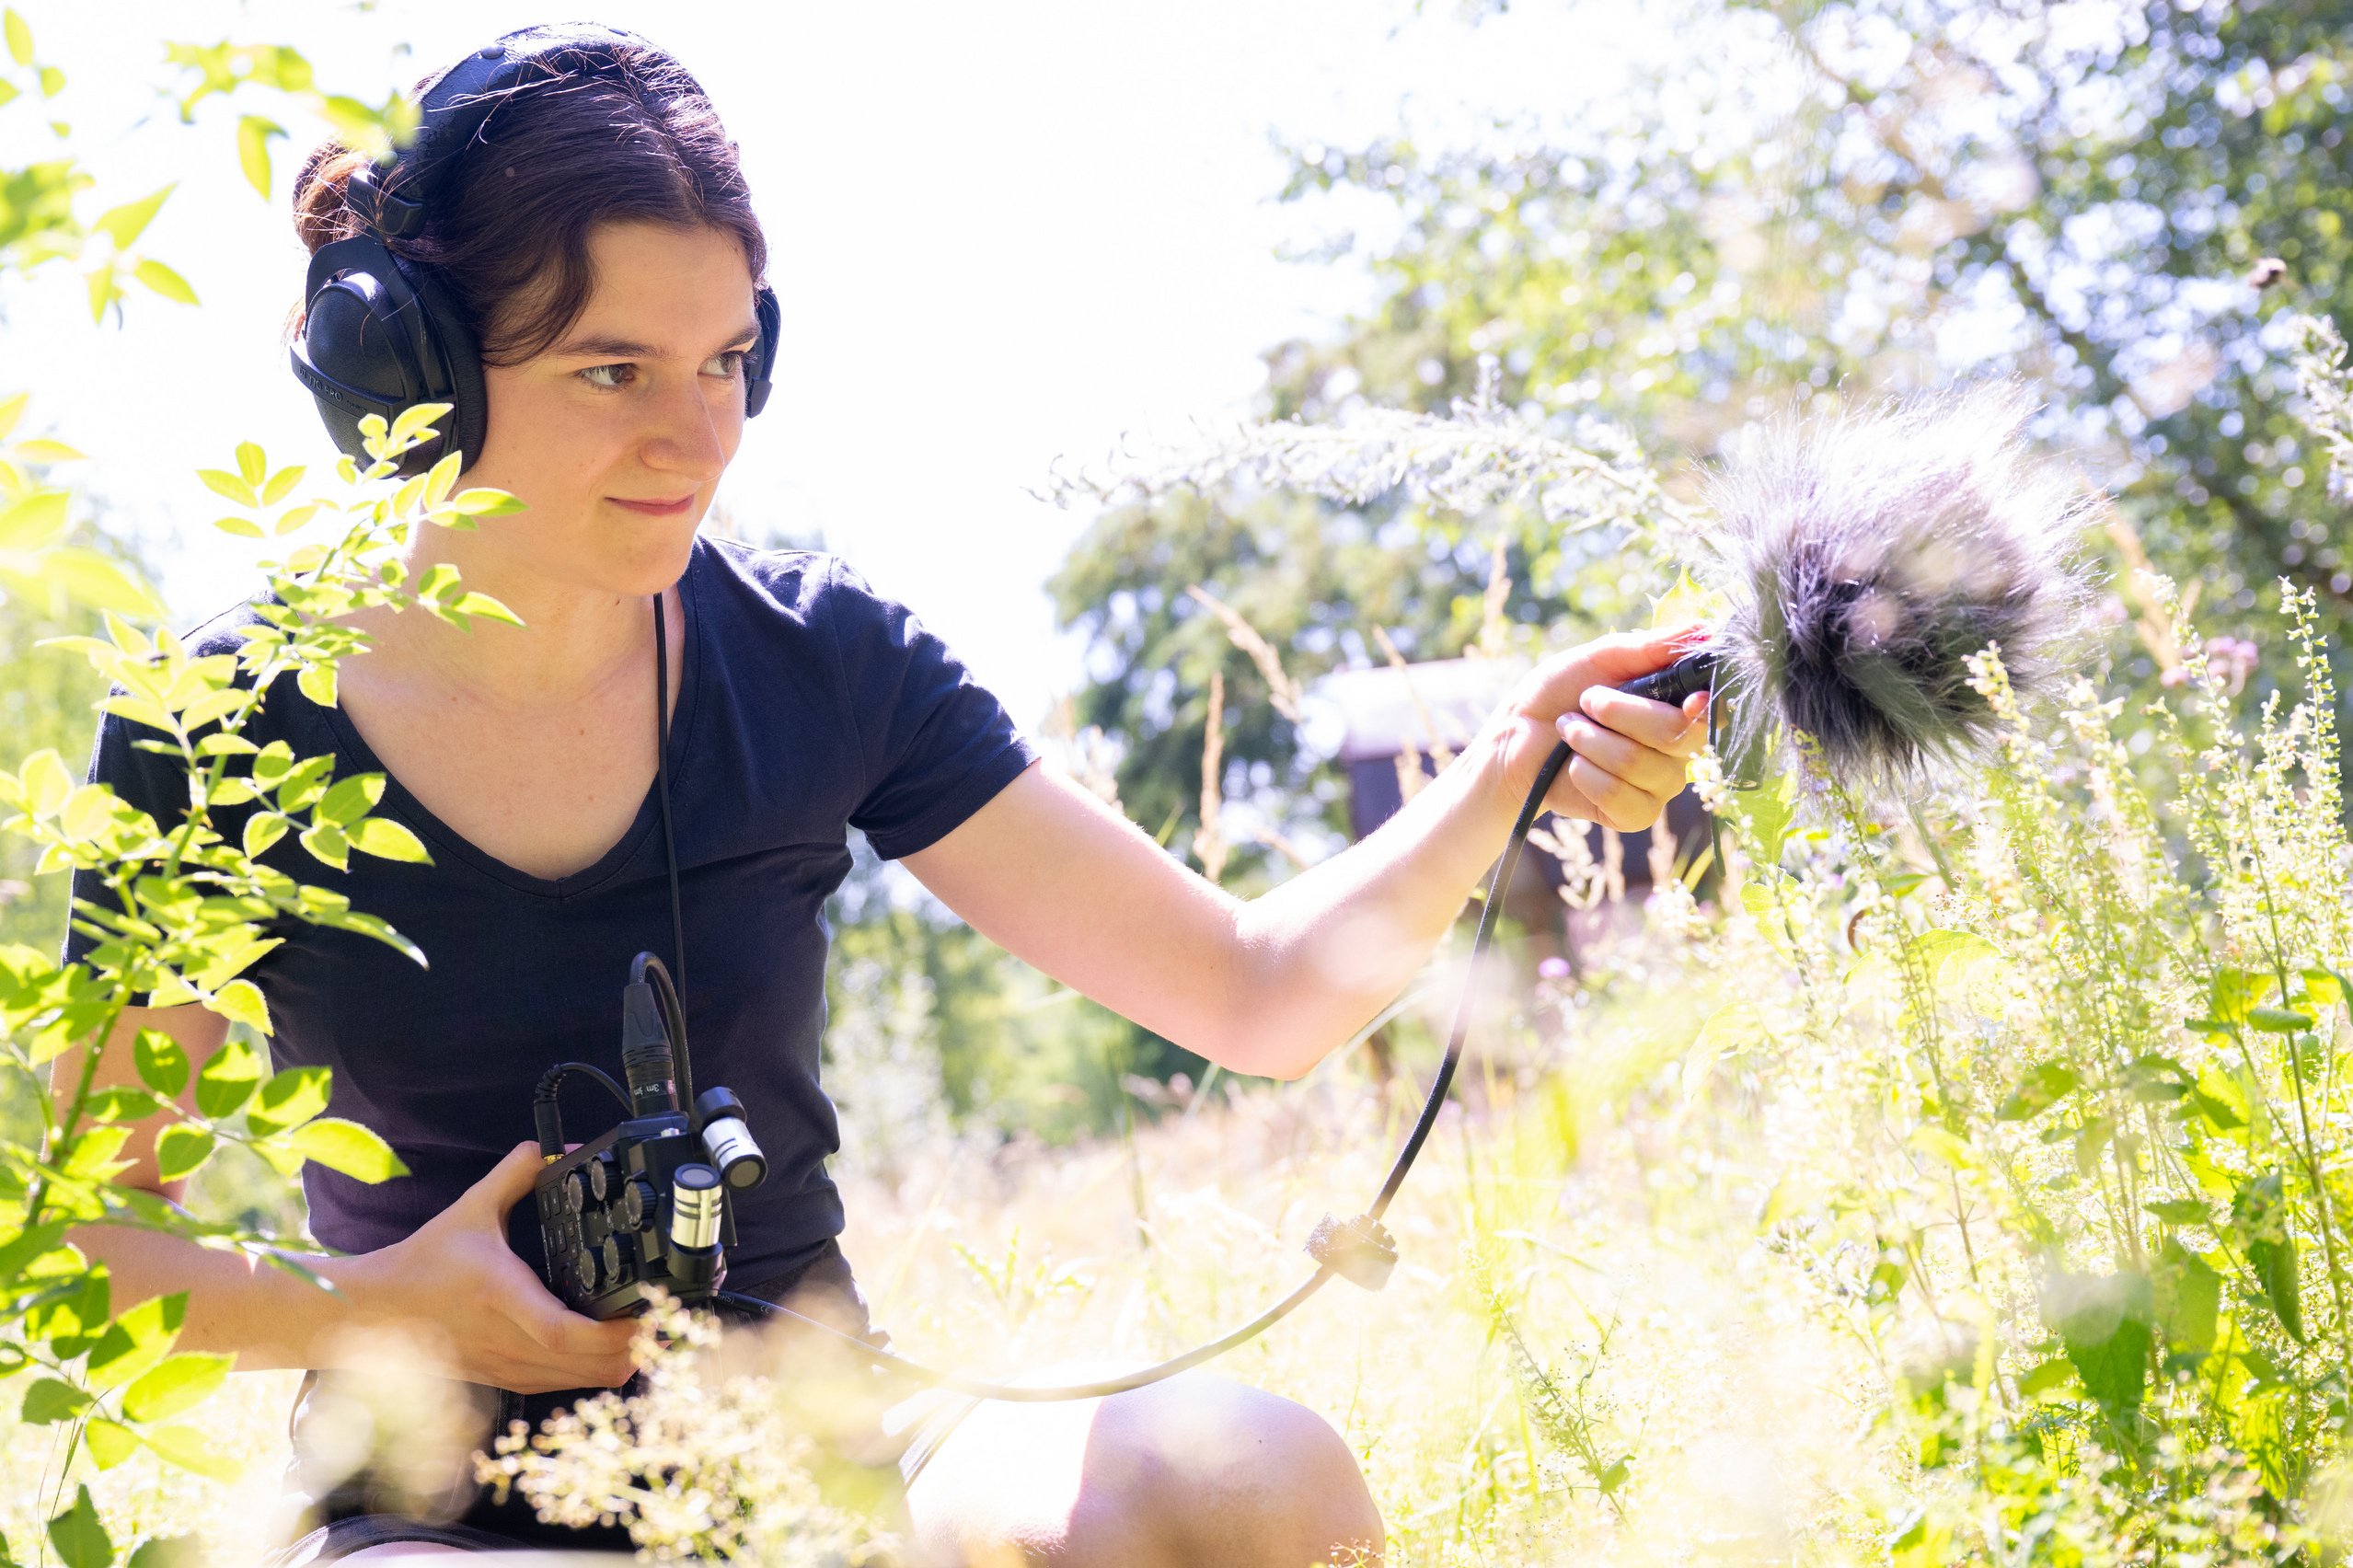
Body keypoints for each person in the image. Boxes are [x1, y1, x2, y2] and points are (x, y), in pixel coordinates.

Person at [53, 25, 1706, 1567]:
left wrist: (1510, 765)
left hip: (833, 1459)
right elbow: (84, 1251)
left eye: (724, 361)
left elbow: (1254, 994)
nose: (695, 437)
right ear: (405, 372)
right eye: (612, 371)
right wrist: (379, 1306)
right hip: (437, 1516)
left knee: (1253, 1477)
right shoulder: (220, 729)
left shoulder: (823, 658)